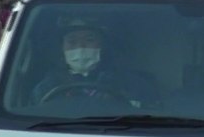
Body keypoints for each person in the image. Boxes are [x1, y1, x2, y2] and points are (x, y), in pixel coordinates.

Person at [31, 23, 159, 107]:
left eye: (89, 40)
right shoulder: (46, 88)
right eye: (72, 41)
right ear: (61, 48)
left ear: (103, 45)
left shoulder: (131, 84)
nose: (81, 47)